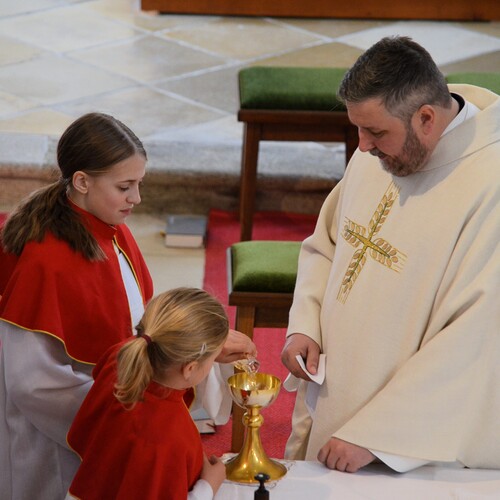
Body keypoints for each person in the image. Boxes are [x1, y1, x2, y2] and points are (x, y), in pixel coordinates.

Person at [0, 112, 255, 499]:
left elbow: (137, 318)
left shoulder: (109, 226)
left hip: (120, 407)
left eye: (139, 183)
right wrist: (126, 420)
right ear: (82, 182)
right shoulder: (46, 262)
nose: (137, 198)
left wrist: (197, 346)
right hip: (60, 442)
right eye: (125, 187)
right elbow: (34, 385)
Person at [281, 36, 499, 474]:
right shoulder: (380, 150)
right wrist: (306, 324)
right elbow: (329, 242)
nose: (362, 147)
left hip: (407, 440)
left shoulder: (488, 184)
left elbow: (475, 335)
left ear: (426, 118)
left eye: (376, 133)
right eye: (358, 129)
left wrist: (379, 434)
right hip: (337, 393)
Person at [67, 287, 228, 499]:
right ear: (189, 368)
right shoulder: (168, 439)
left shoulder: (120, 358)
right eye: (213, 359)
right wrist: (208, 486)